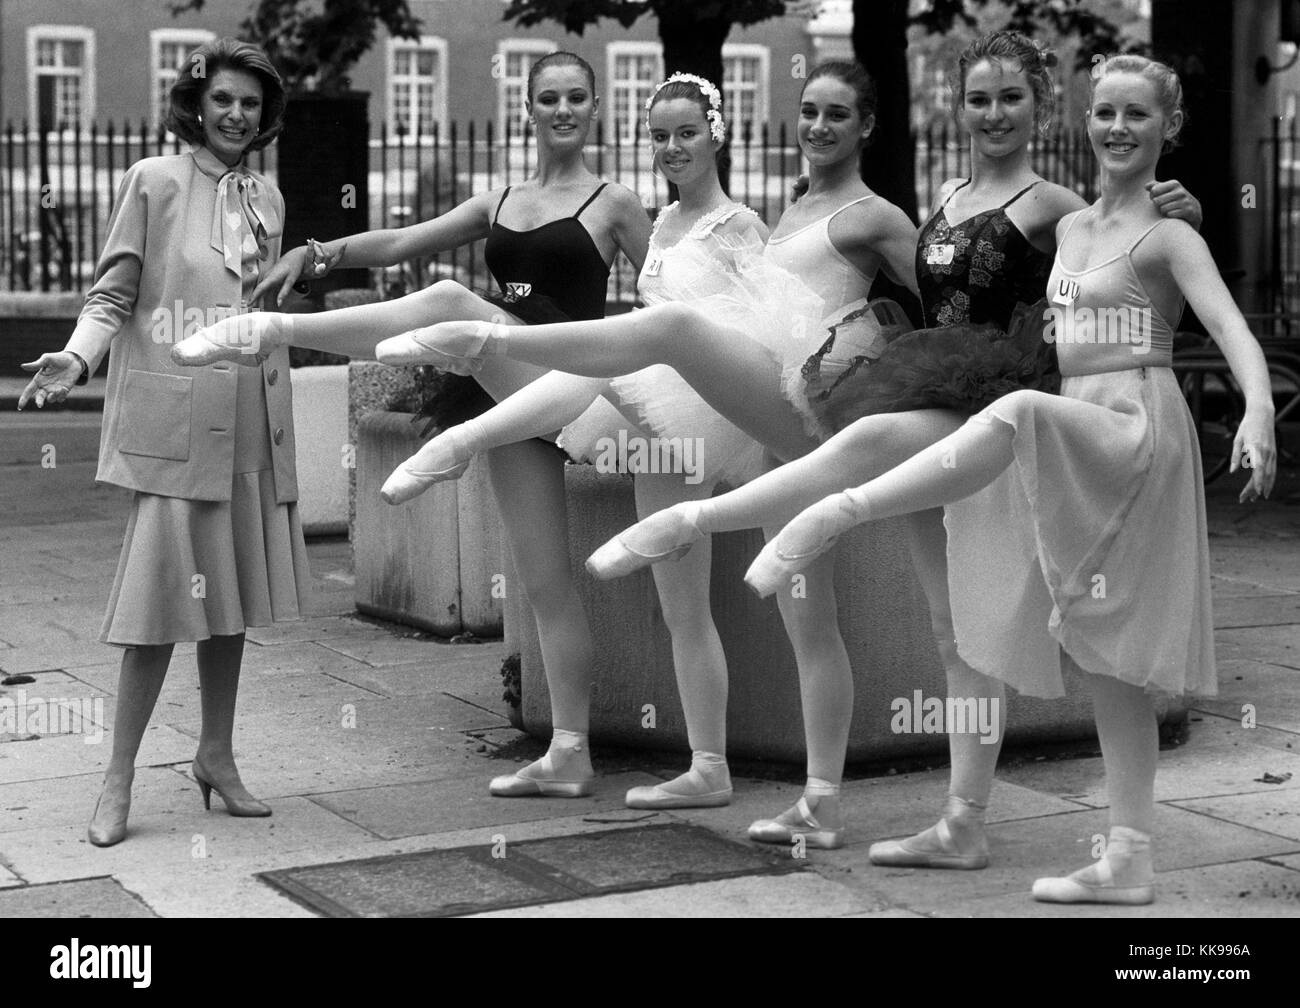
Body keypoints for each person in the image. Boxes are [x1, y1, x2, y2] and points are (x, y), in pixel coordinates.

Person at [744, 54, 1275, 904]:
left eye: (1138, 115)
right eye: (1105, 112)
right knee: (1043, 642)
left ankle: (829, 514)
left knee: (1017, 423)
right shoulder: (1063, 228)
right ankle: (1076, 845)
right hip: (1039, 414)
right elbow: (1031, 318)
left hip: (1101, 422)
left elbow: (1212, 312)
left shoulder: (1131, 222)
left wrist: (1256, 407)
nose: (1117, 129)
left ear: (1165, 127)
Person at [370, 61, 923, 845]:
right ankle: (710, 766)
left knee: (801, 614)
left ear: (715, 136)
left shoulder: (751, 224)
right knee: (679, 603)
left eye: (686, 134)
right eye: (659, 136)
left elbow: (811, 316)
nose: (671, 148)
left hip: (747, 416)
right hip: (670, 422)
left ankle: (817, 797)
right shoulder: (703, 220)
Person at [173, 52, 652, 799]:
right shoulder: (497, 202)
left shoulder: (615, 204)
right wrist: (314, 252)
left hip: (569, 385)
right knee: (543, 583)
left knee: (452, 301)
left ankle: (267, 331)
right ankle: (570, 752)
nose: (562, 109)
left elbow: (669, 298)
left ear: (595, 109)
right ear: (526, 109)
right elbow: (398, 241)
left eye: (576, 98)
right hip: (509, 397)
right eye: (548, 98)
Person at [18, 39, 301, 846]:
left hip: (251, 416)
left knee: (230, 601)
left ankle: (217, 754)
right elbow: (113, 294)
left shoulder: (269, 201)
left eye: (250, 103)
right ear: (196, 105)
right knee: (153, 611)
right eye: (223, 101)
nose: (236, 115)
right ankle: (117, 779)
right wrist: (77, 354)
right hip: (177, 425)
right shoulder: (152, 180)